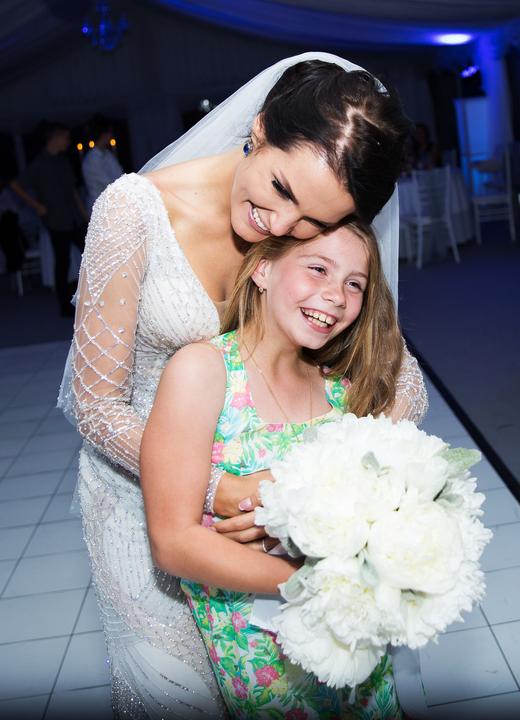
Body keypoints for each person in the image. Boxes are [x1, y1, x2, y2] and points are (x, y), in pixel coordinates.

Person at [58, 52, 428, 718]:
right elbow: (94, 404)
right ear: (258, 130)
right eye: (281, 189)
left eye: (312, 222)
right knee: (176, 692)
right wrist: (216, 487)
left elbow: (400, 378)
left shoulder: (324, 212)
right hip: (140, 497)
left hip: (276, 506)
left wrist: (334, 487)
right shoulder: (135, 211)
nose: (281, 227)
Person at [141, 221, 404, 718]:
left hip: (351, 638)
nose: (336, 295)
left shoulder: (340, 389)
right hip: (260, 648)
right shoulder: (204, 370)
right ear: (262, 268)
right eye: (318, 269)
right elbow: (172, 542)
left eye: (354, 283)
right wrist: (316, 584)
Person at [11, 122, 88, 316]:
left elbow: (73, 192)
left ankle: (97, 295)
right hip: (56, 220)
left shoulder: (64, 161)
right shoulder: (39, 163)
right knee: (62, 261)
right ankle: (64, 305)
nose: (68, 141)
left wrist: (84, 215)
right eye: (66, 137)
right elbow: (16, 185)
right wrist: (36, 205)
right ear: (55, 138)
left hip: (73, 218)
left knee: (90, 255)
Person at [82, 114, 123, 213]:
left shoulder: (107, 154)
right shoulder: (91, 159)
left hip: (111, 202)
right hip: (99, 206)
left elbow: (119, 173)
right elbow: (108, 182)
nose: (111, 136)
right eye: (109, 132)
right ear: (103, 134)